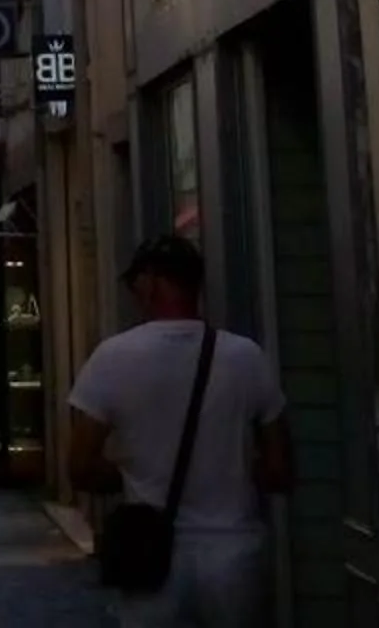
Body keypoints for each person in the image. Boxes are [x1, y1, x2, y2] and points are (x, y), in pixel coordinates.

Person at [67, 234, 293, 628]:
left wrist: (129, 476)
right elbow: (281, 469)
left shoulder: (113, 357)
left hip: (152, 560)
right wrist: (233, 467)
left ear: (150, 283)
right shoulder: (246, 357)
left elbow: (80, 467)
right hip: (234, 557)